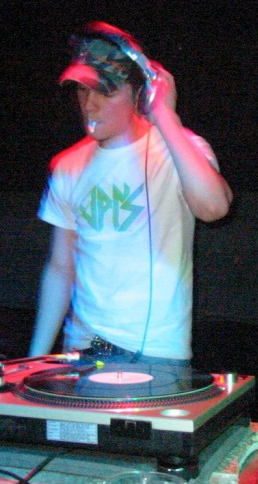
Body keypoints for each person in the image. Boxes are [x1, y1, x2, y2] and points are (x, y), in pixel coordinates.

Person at [28, 22, 232, 365]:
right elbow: (61, 267)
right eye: (82, 90)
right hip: (79, 351)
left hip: (155, 355)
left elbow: (214, 208)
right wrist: (34, 360)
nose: (89, 104)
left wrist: (165, 114)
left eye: (105, 92)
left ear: (141, 94)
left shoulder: (180, 151)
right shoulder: (68, 166)